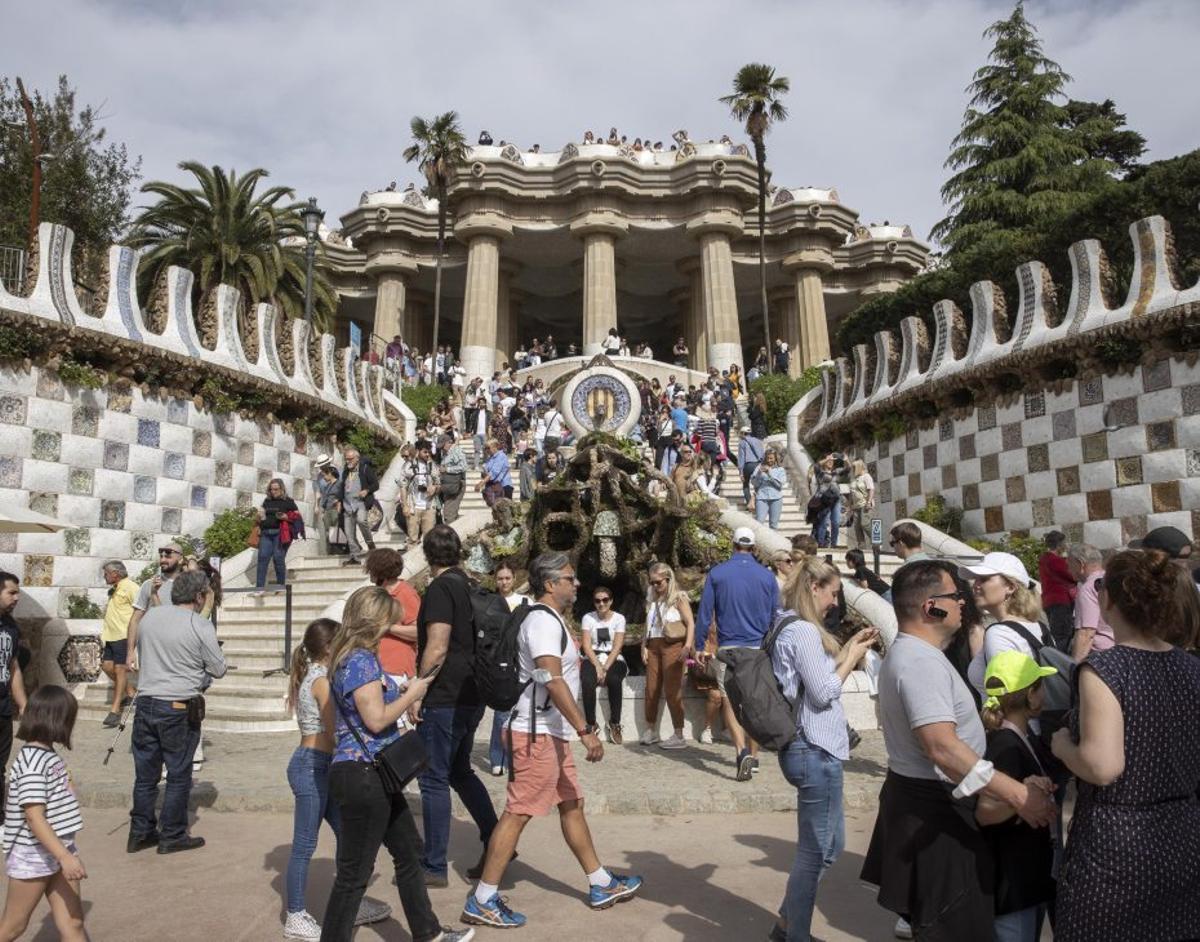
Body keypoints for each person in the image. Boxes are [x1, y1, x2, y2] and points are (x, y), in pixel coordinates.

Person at [860, 560, 1056, 940]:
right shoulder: (918, 661)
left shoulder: (919, 656)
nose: (963, 603)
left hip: (934, 808)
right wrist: (1017, 794)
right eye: (955, 596)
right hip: (938, 816)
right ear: (931, 606)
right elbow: (942, 748)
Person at [462, 553, 643, 929]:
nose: (576, 584)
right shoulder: (543, 623)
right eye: (569, 578)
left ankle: (600, 882)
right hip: (536, 733)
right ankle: (483, 898)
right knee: (518, 812)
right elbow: (552, 679)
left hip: (548, 731)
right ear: (550, 584)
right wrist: (585, 730)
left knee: (571, 803)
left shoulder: (550, 620)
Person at [1050, 550, 1200, 942]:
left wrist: (1063, 745)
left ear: (1110, 600)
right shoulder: (1192, 667)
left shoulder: (1105, 669)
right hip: (1183, 834)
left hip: (1117, 843)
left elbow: (1102, 766)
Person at [321, 588, 472, 942]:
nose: (394, 626)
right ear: (376, 620)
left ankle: (428, 933)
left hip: (370, 774)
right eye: (391, 619)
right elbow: (375, 720)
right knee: (354, 874)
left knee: (408, 851)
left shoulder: (347, 658)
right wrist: (411, 694)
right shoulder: (360, 660)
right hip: (365, 775)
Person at [767, 559, 877, 942]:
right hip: (814, 748)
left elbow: (814, 680)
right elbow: (824, 691)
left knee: (830, 845)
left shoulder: (791, 627)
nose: (835, 602)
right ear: (814, 586)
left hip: (810, 748)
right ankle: (794, 933)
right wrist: (847, 660)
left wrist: (847, 650)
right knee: (816, 851)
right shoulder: (802, 633)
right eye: (833, 593)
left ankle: (786, 923)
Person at [283, 619, 391, 939]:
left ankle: (351, 903)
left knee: (348, 835)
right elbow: (333, 730)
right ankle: (295, 916)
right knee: (305, 845)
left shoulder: (318, 676)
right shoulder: (321, 681)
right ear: (329, 647)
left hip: (319, 765)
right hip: (312, 766)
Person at [414, 526, 499, 886]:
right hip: (473, 691)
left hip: (445, 694)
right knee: (460, 771)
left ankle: (433, 865)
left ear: (427, 554)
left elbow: (437, 644)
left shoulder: (439, 588)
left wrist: (418, 690)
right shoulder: (469, 585)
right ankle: (498, 842)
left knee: (433, 778)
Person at [128, 570, 227, 855]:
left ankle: (140, 832)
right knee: (178, 773)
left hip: (146, 702)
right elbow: (218, 668)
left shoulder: (150, 618)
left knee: (145, 775)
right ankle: (172, 834)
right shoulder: (199, 625)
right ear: (198, 596)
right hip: (178, 707)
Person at [976, 651, 1058, 942]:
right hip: (1013, 883)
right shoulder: (1005, 745)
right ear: (1030, 696)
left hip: (1026, 878)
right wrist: (1023, 798)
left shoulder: (1020, 738)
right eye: (1040, 686)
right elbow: (985, 812)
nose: (1045, 693)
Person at [0, 686, 86, 942]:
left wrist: (64, 854)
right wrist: (65, 857)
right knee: (13, 927)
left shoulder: (47, 755)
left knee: (74, 923)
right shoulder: (32, 762)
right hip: (34, 855)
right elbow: (34, 817)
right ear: (57, 720)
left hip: (60, 849)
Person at [696, 528, 781, 781]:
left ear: (733, 545)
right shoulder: (767, 577)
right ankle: (754, 757)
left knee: (730, 701)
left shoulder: (718, 573)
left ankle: (740, 750)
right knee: (753, 703)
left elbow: (705, 612)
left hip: (727, 648)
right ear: (754, 548)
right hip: (757, 648)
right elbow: (776, 615)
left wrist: (700, 645)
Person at [960, 552, 1048, 703]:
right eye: (975, 580)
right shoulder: (1039, 627)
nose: (975, 585)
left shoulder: (999, 633)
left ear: (1010, 587)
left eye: (984, 579)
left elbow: (1006, 700)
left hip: (1009, 725)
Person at [640, 563, 693, 749]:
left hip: (673, 644)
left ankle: (679, 733)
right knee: (651, 688)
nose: (655, 586)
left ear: (668, 580)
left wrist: (687, 646)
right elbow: (647, 624)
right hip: (653, 644)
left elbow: (690, 623)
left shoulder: (678, 597)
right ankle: (651, 730)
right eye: (652, 582)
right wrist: (644, 646)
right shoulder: (652, 598)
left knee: (672, 690)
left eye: (658, 582)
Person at [487, 564, 529, 777]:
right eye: (500, 578)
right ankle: (497, 756)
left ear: (514, 578)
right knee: (501, 710)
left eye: (507, 578)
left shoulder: (525, 602)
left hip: (520, 660)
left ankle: (515, 757)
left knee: (519, 712)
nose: (504, 582)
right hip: (499, 660)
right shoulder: (491, 602)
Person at [363, 549, 421, 689]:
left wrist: (387, 627)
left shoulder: (405, 594)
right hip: (378, 666)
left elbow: (418, 632)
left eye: (372, 570)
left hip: (396, 669)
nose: (370, 574)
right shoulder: (378, 594)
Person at [125, 541, 186, 672]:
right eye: (161, 555)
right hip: (150, 652)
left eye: (168, 556)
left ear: (180, 559)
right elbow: (135, 620)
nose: (163, 559)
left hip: (177, 653)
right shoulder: (148, 584)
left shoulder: (188, 585)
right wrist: (130, 652)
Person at [581, 586, 628, 745]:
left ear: (611, 601)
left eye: (605, 600)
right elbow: (586, 646)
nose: (601, 604)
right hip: (593, 656)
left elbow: (617, 646)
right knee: (587, 681)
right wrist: (597, 667)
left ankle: (615, 723)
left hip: (614, 658)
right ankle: (591, 723)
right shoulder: (588, 618)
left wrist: (605, 668)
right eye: (597, 601)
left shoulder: (619, 618)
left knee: (614, 680)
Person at [99, 560, 137, 728]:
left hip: (124, 635)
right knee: (107, 667)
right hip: (111, 636)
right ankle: (130, 692)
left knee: (119, 670)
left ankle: (115, 712)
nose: (104, 576)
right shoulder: (116, 588)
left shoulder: (131, 587)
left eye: (106, 573)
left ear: (115, 573)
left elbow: (141, 609)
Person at [1066, 543, 1112, 661]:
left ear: (1080, 564)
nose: (1068, 570)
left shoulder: (1088, 588)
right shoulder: (1112, 580)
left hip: (1101, 656)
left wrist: (1074, 669)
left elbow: (1086, 633)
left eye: (1070, 565)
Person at [336, 447, 379, 566]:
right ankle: (355, 556)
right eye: (346, 459)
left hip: (360, 503)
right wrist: (339, 501)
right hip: (347, 504)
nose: (348, 461)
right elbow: (342, 487)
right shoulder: (346, 471)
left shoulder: (365, 469)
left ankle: (370, 543)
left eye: (350, 459)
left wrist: (367, 490)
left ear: (357, 459)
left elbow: (376, 484)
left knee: (361, 520)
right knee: (349, 534)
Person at [257, 478, 301, 590]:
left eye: (276, 489)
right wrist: (260, 516)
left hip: (280, 533)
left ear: (282, 489)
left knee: (278, 557)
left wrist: (286, 517)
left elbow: (298, 517)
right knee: (262, 558)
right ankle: (259, 588)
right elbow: (262, 516)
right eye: (271, 489)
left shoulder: (288, 501)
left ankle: (280, 585)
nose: (273, 492)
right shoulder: (267, 501)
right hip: (266, 533)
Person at [1038, 531, 1075, 652]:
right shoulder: (1056, 561)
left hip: (1049, 601)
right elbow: (1072, 575)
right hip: (1061, 600)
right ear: (1059, 545)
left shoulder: (1044, 559)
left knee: (1057, 633)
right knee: (1062, 635)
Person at [401, 441, 440, 546]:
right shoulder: (408, 466)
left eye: (429, 452)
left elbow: (439, 484)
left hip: (429, 506)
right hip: (413, 506)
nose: (428, 454)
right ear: (418, 451)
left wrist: (434, 487)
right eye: (425, 452)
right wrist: (405, 506)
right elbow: (403, 486)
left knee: (430, 540)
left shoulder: (432, 465)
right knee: (412, 539)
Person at [843, 460, 875, 551]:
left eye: (854, 467)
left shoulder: (866, 476)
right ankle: (862, 546)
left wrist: (869, 502)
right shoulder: (854, 478)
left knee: (865, 524)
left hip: (865, 504)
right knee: (857, 527)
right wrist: (849, 506)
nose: (853, 469)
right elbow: (851, 494)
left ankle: (876, 541)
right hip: (856, 506)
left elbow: (871, 489)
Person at [752, 449, 788, 530]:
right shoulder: (759, 467)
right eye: (767, 458)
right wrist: (758, 473)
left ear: (775, 458)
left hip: (776, 499)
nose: (769, 460)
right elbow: (754, 483)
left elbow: (779, 486)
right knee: (759, 522)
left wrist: (769, 474)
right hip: (761, 497)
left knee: (773, 525)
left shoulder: (780, 470)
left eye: (771, 458)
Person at [437, 435, 469, 525]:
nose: (441, 449)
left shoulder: (457, 450)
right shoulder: (445, 453)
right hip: (448, 486)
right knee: (451, 514)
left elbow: (464, 466)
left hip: (456, 485)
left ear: (448, 443)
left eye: (442, 446)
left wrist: (447, 469)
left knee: (449, 514)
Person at [476, 439, 512, 508]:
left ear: (495, 447)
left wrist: (482, 483)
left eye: (488, 448)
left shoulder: (501, 456)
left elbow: (494, 473)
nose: (487, 450)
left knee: (504, 510)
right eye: (485, 448)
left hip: (503, 486)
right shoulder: (490, 459)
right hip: (494, 487)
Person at [737, 424, 765, 508]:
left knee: (746, 485)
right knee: (758, 485)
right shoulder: (758, 441)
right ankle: (759, 503)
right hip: (758, 465)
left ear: (742, 433)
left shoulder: (742, 442)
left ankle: (749, 503)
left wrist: (741, 472)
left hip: (747, 465)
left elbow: (741, 458)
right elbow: (762, 454)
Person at [316, 465, 341, 555]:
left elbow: (342, 496)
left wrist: (338, 503)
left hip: (335, 510)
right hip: (327, 510)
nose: (324, 477)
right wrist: (322, 511)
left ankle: (337, 551)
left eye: (325, 475)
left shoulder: (339, 484)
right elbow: (324, 499)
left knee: (335, 531)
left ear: (330, 474)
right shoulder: (327, 486)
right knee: (328, 532)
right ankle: (330, 552)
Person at [812, 473, 841, 548]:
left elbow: (838, 493)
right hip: (825, 502)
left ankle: (834, 543)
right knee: (824, 523)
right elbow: (817, 494)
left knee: (836, 523)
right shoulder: (820, 477)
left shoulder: (835, 475)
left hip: (835, 502)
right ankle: (820, 543)